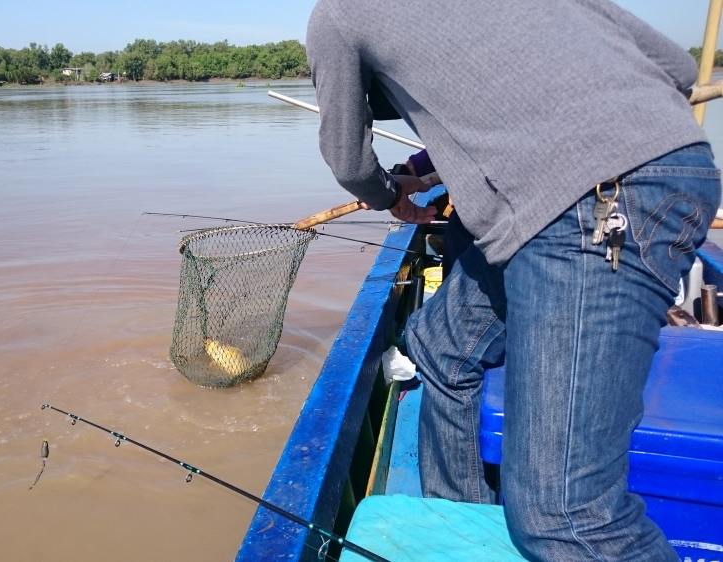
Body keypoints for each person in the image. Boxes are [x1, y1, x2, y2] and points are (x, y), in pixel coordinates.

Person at [306, 1, 721, 560]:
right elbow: (674, 67)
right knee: (443, 348)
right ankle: (465, 533)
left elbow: (349, 160)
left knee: (565, 515)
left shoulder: (339, 12)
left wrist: (388, 195)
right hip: (658, 167)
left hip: (601, 207)